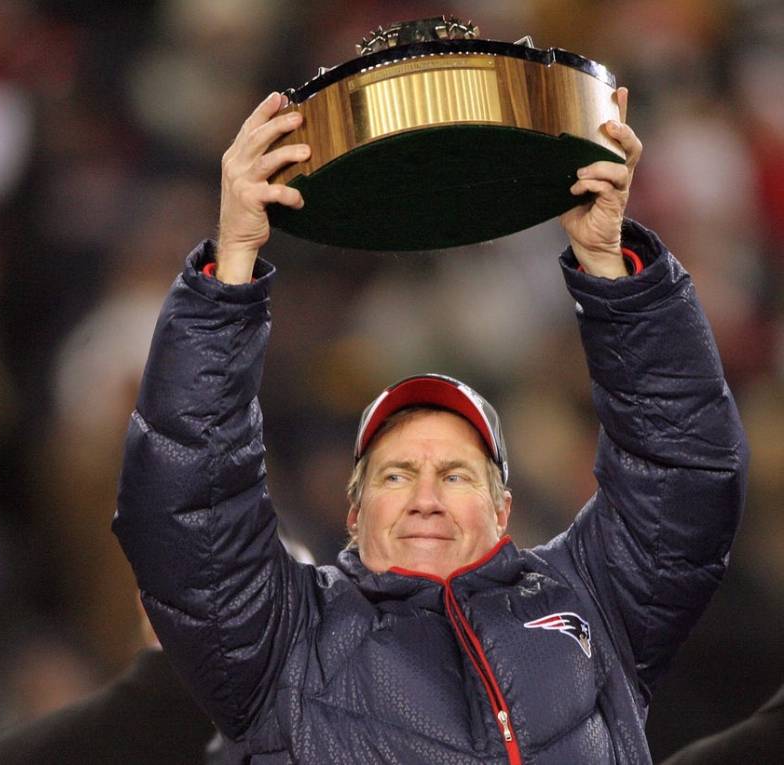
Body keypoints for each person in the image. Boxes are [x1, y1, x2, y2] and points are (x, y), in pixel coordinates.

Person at [113, 87, 748, 763]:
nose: (426, 495)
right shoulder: (284, 643)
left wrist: (611, 268)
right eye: (396, 473)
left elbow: (684, 472)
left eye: (455, 473)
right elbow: (188, 516)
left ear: (504, 508)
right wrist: (231, 265)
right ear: (352, 513)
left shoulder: (593, 601)